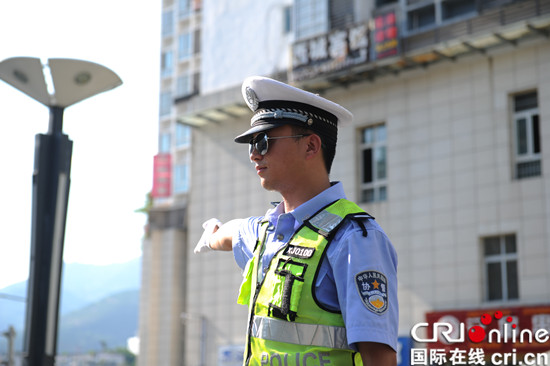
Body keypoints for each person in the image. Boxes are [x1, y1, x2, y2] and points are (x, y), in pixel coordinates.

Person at [194, 76, 398, 365]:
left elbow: (380, 358)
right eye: (252, 143)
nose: (254, 154)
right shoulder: (266, 233)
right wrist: (212, 235)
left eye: (264, 141)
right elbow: (234, 231)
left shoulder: (355, 239)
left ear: (311, 147)